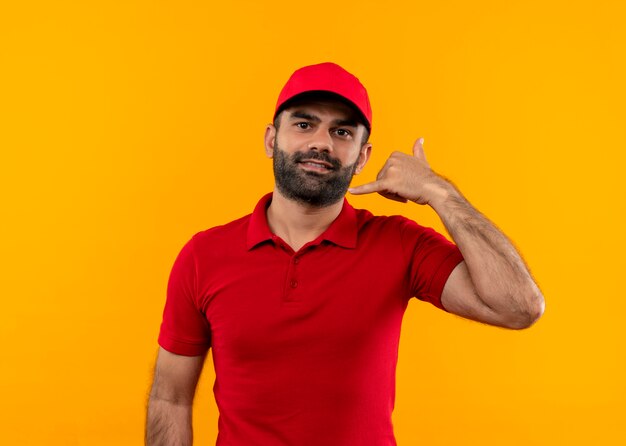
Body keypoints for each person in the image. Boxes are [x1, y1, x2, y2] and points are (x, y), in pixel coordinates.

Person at [145, 62, 545, 446]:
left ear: (363, 157)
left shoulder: (400, 243)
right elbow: (170, 398)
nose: (321, 142)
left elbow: (519, 306)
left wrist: (440, 193)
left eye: (342, 132)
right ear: (271, 139)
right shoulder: (204, 255)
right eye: (304, 124)